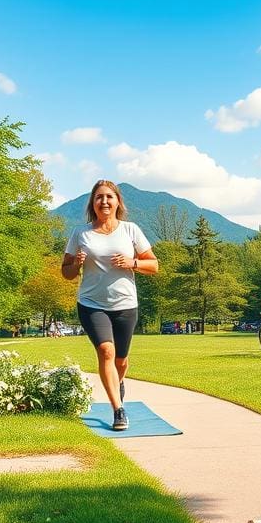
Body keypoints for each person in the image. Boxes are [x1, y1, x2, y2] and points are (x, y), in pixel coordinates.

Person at [61, 180, 159, 430]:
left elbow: (154, 265)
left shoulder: (130, 230)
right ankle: (118, 409)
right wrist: (77, 264)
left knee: (121, 361)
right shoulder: (80, 233)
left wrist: (132, 262)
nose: (104, 201)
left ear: (117, 202)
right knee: (106, 351)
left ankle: (119, 381)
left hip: (126, 304)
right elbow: (67, 273)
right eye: (98, 197)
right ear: (92, 203)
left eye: (109, 197)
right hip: (92, 304)